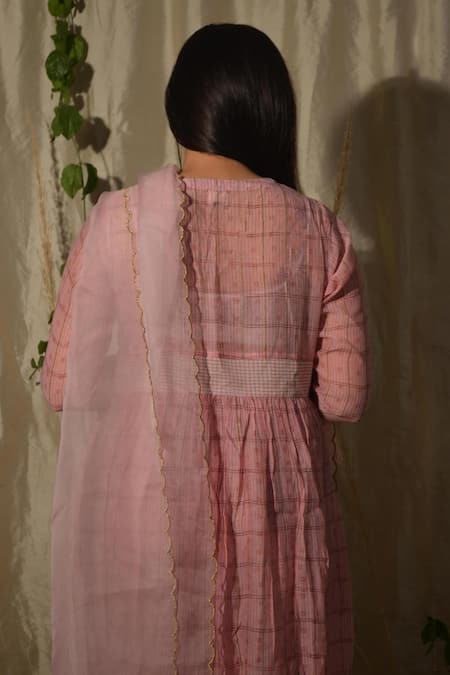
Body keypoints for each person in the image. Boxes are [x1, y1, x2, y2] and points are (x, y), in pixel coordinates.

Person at [41, 22, 368, 675]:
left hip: (152, 499)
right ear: (269, 112)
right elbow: (344, 398)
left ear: (179, 110)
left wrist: (155, 369)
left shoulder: (120, 223)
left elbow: (62, 384)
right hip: (274, 502)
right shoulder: (318, 230)